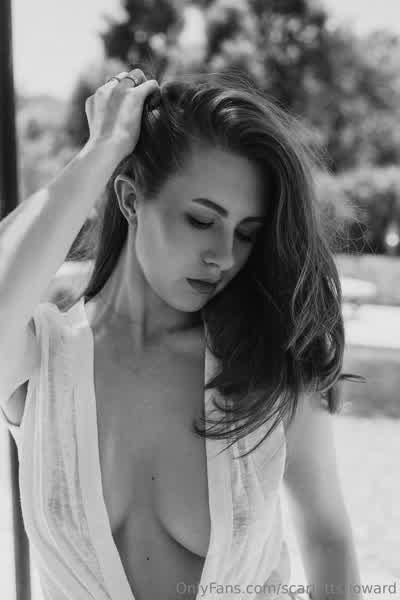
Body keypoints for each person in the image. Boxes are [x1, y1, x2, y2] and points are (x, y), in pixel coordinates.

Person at [0, 67, 365, 600]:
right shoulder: (41, 361)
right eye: (201, 220)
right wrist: (101, 151)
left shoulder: (267, 361)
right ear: (130, 200)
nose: (223, 256)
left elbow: (328, 537)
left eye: (246, 234)